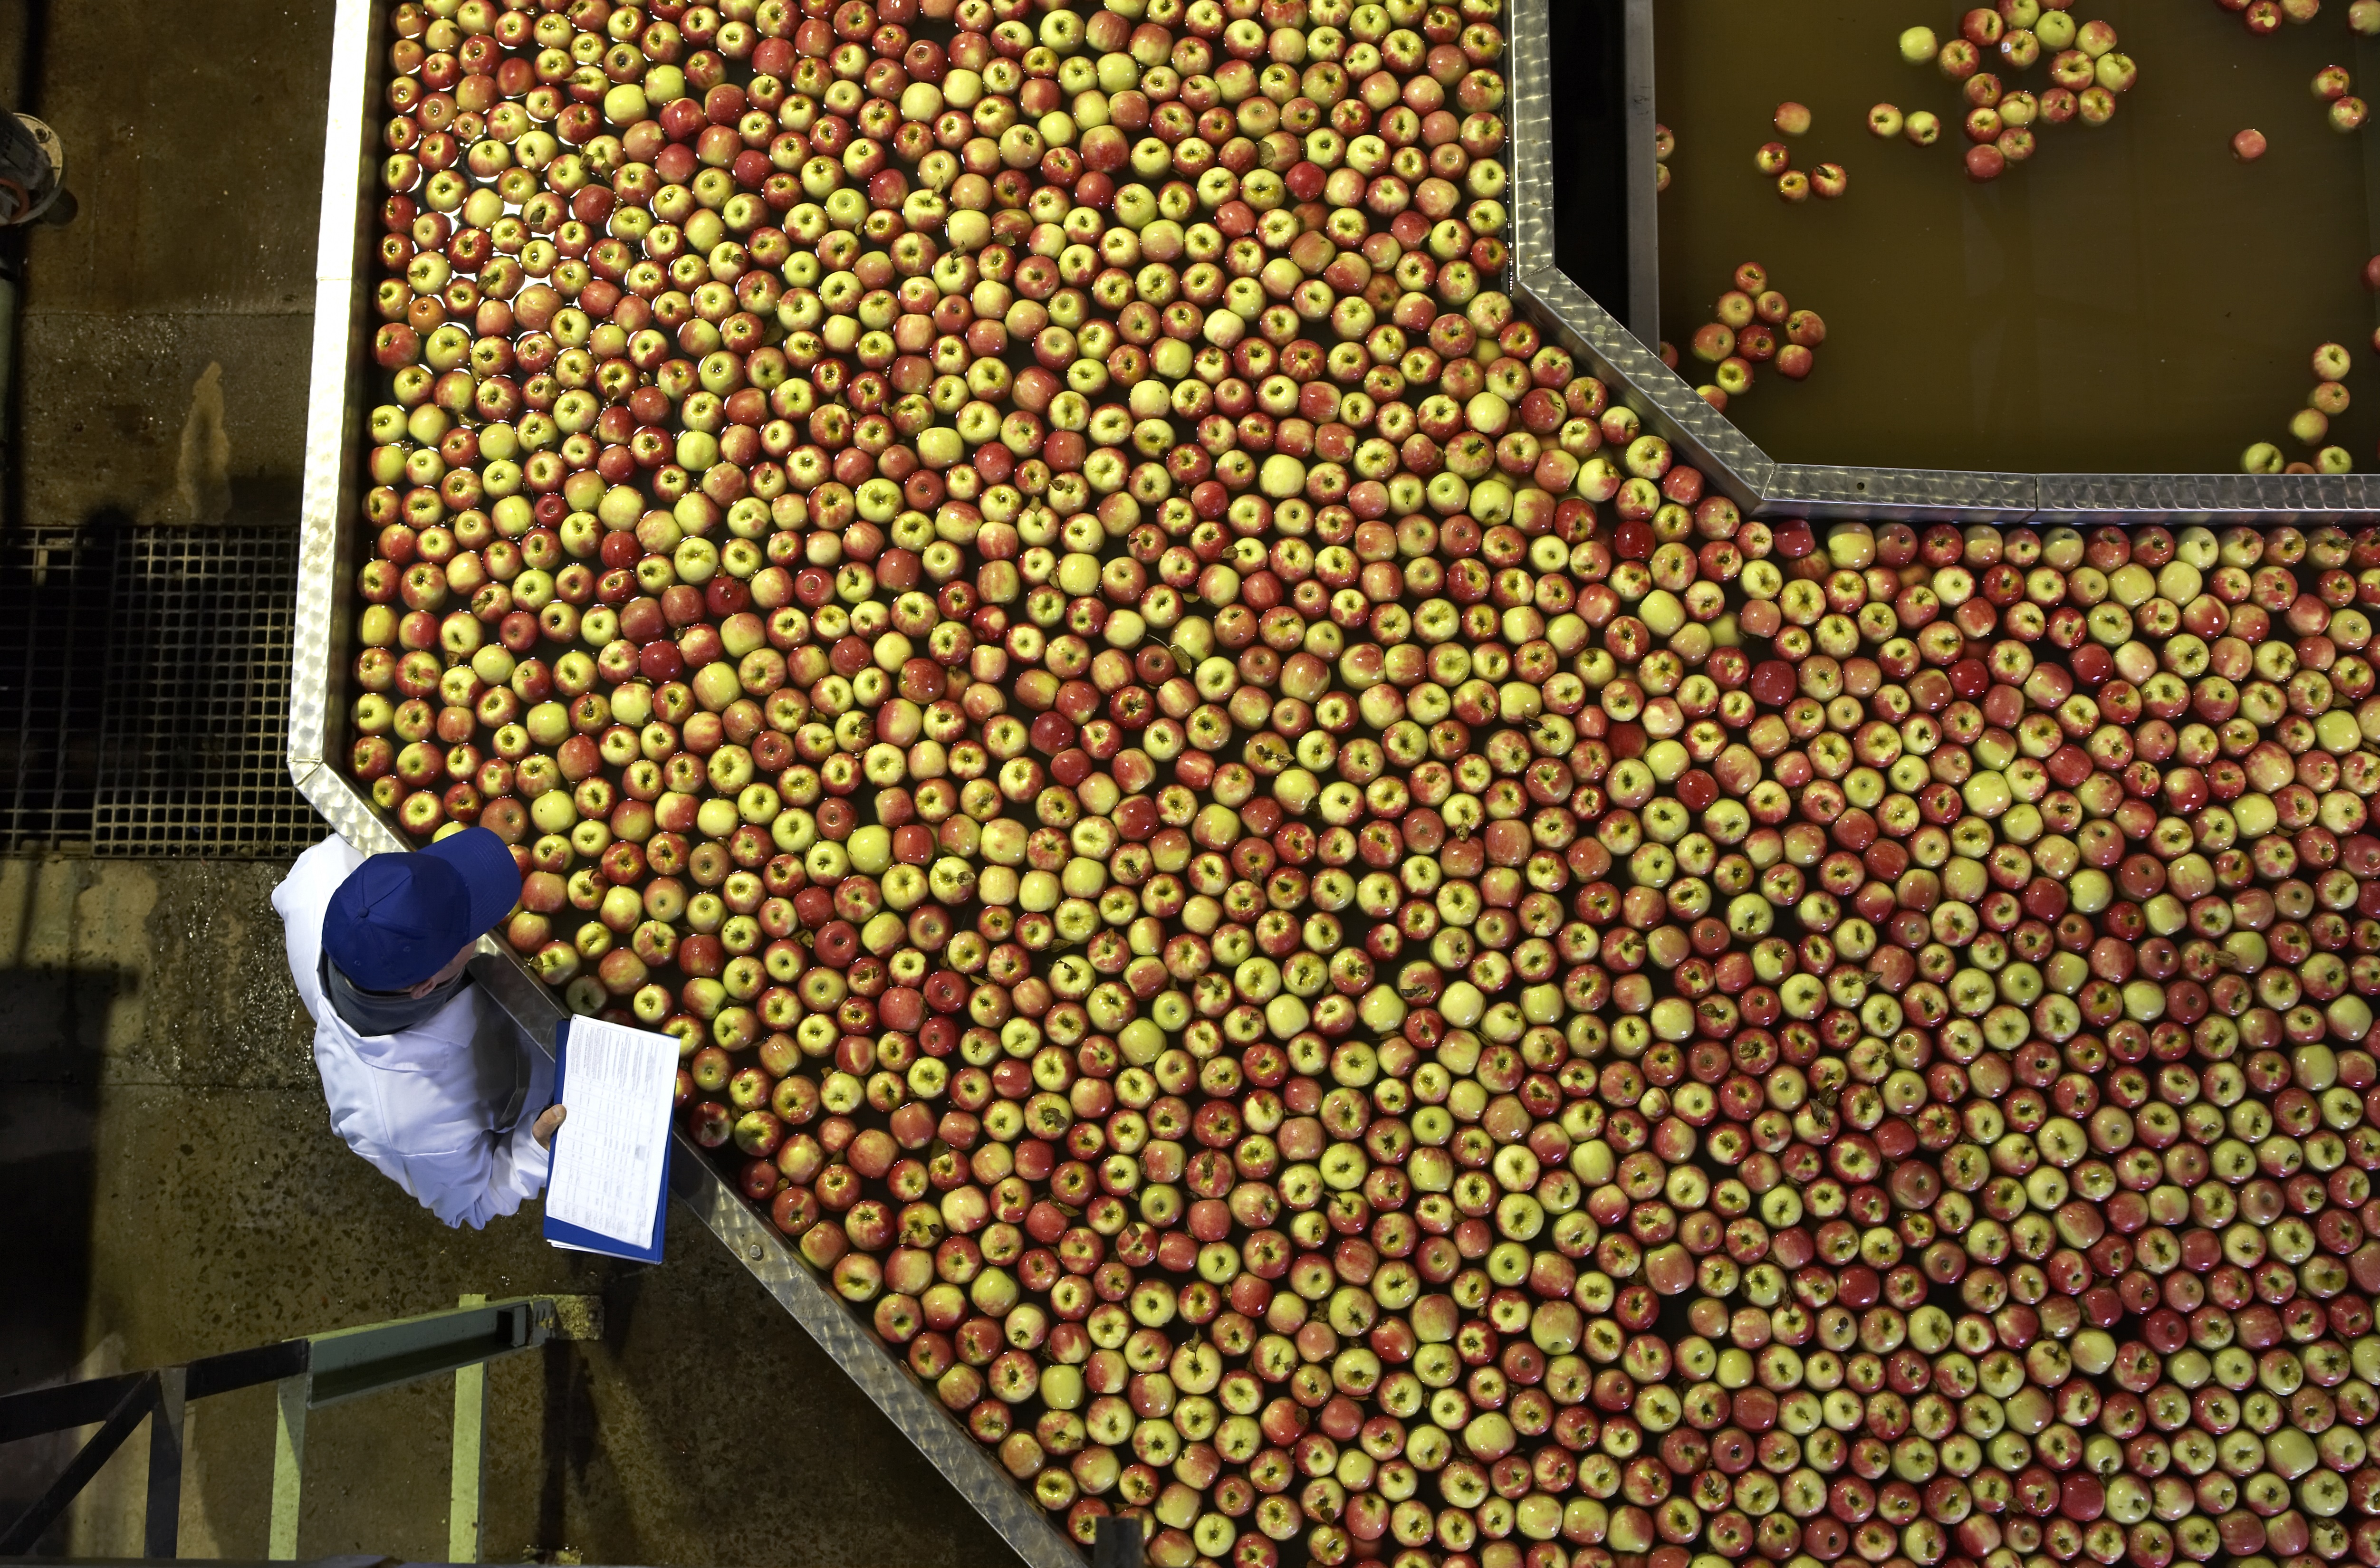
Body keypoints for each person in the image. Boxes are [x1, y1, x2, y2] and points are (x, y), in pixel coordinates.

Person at [272, 827, 566, 1229]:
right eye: (470, 927)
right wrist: (536, 1151)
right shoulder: (403, 1125)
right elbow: (473, 1205)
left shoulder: (323, 873)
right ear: (425, 985)